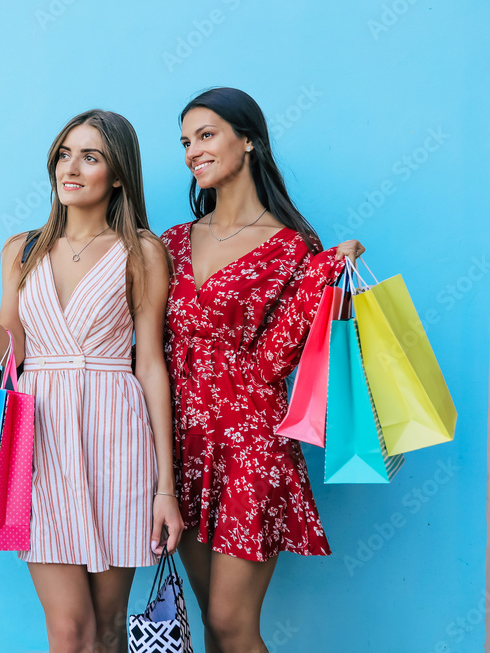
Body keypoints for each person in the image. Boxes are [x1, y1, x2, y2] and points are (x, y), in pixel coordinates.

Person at [0, 109, 184, 653]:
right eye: (64, 154)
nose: (70, 167)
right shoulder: (22, 249)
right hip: (41, 443)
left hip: (118, 441)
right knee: (68, 630)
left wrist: (165, 489)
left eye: (90, 156)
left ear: (119, 175)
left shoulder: (143, 251)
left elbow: (150, 364)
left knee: (108, 630)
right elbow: (12, 352)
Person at [161, 87, 365, 653]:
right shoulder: (171, 243)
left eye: (206, 135)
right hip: (181, 447)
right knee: (211, 627)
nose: (192, 152)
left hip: (251, 443)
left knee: (232, 626)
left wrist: (329, 280)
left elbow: (276, 363)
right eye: (185, 142)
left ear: (248, 139)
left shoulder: (294, 249)